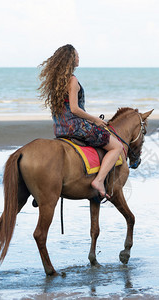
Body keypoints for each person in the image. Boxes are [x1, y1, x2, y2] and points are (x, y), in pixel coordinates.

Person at [38, 44, 122, 199]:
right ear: (71, 59)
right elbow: (75, 109)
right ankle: (99, 180)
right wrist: (95, 120)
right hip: (76, 128)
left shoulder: (56, 82)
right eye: (76, 55)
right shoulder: (72, 80)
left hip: (60, 129)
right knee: (117, 146)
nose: (78, 58)